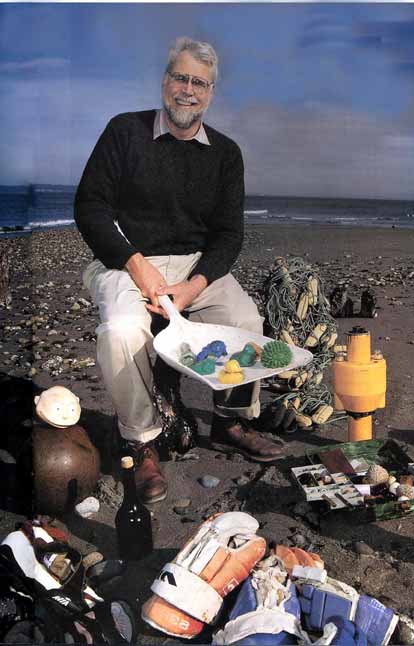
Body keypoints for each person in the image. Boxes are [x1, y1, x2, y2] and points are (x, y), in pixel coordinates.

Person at [74, 36, 284, 504]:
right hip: (126, 259)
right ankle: (142, 441)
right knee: (120, 332)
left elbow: (228, 235)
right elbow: (89, 207)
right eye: (181, 78)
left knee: (246, 320)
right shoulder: (124, 131)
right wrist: (137, 266)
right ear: (165, 81)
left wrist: (193, 285)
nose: (188, 90)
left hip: (194, 266)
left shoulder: (226, 153)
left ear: (210, 93)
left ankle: (232, 421)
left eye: (199, 83)